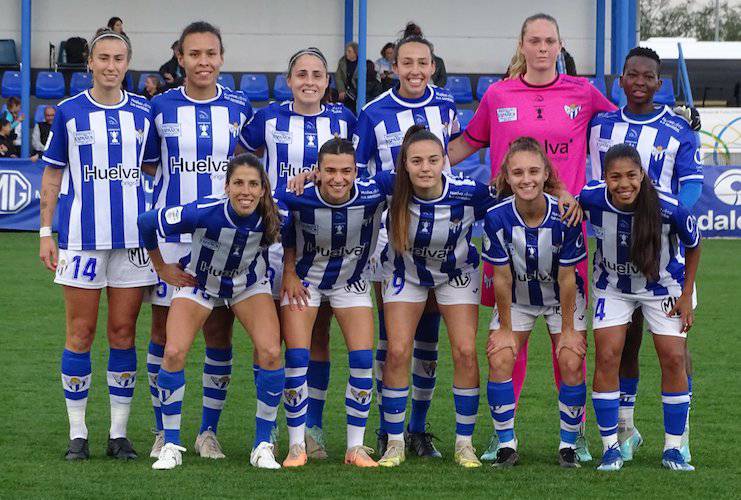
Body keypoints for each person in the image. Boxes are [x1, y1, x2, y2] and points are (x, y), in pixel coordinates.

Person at [447, 12, 616, 462]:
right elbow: (465, 143)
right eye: (534, 41)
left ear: (559, 46)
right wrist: (413, 168)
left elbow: (622, 133)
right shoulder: (498, 94)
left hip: (566, 232)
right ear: (521, 45)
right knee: (507, 340)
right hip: (506, 232)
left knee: (569, 344)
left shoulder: (582, 93)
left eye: (550, 41)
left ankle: (574, 436)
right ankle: (502, 434)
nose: (542, 48)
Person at [38, 27, 158, 461]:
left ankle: (118, 434)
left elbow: (152, 172)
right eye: (103, 58)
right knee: (80, 333)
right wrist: (45, 232)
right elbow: (51, 177)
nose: (110, 66)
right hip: (81, 242)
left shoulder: (144, 114)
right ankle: (78, 434)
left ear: (127, 64)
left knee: (123, 334)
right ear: (89, 62)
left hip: (130, 243)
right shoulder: (69, 112)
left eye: (118, 59)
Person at [238, 46, 356, 459]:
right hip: (272, 243)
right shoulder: (267, 119)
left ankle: (313, 429)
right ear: (289, 81)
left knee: (317, 334)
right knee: (269, 338)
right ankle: (266, 429)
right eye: (301, 74)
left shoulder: (344, 120)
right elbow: (244, 168)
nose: (309, 81)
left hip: (323, 245)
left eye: (317, 74)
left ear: (328, 82)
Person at [587, 46, 704, 464]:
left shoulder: (677, 129)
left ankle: (680, 438)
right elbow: (589, 182)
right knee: (622, 347)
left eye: (647, 76)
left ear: (659, 83)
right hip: (613, 262)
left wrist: (667, 215)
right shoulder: (600, 125)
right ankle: (624, 432)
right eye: (631, 75)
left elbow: (691, 186)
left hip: (663, 260)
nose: (639, 82)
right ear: (621, 79)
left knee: (674, 351)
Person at [143, 21, 253, 461]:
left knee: (218, 333)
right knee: (162, 332)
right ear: (181, 58)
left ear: (221, 58)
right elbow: (150, 164)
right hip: (171, 239)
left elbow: (252, 165)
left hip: (223, 237)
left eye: (211, 53)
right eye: (194, 54)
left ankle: (208, 432)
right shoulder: (159, 107)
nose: (203, 62)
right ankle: (160, 429)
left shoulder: (240, 108)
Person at [138, 153, 286, 470]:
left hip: (247, 285)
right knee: (174, 352)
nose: (245, 191)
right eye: (238, 183)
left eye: (253, 184)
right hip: (200, 282)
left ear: (263, 189)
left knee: (271, 352)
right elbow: (147, 222)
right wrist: (161, 267)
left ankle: (263, 445)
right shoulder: (204, 211)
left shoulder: (274, 213)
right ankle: (170, 443)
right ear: (227, 185)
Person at [354, 22, 459, 460]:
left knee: (429, 334)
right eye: (406, 63)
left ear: (432, 67)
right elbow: (361, 173)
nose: (415, 70)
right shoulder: (373, 111)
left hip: (441, 236)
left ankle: (417, 430)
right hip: (391, 237)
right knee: (392, 336)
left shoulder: (448, 106)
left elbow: (451, 164)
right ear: (392, 66)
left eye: (422, 63)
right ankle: (387, 429)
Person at [377, 125, 498, 468]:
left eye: (433, 159)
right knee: (398, 351)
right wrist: (307, 176)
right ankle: (395, 442)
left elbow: (511, 204)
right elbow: (345, 182)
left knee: (464, 351)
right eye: (416, 161)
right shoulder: (390, 186)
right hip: (407, 274)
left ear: (445, 161)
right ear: (404, 164)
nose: (425, 168)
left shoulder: (469, 191)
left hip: (457, 274)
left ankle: (464, 443)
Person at [276, 137, 386, 468]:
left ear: (357, 171)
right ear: (318, 172)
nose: (339, 178)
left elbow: (413, 177)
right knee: (296, 357)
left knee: (363, 360)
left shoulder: (373, 191)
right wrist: (290, 271)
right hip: (304, 282)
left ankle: (356, 448)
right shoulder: (295, 196)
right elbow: (282, 229)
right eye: (331, 171)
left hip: (351, 282)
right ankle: (296, 446)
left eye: (346, 171)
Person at [483, 137, 587, 469]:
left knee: (571, 359)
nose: (526, 179)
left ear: (545, 174)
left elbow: (567, 278)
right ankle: (504, 444)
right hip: (518, 299)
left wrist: (569, 330)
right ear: (507, 177)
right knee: (500, 356)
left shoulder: (565, 214)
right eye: (517, 173)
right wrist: (505, 330)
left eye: (532, 171)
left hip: (562, 300)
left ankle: (570, 444)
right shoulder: (497, 217)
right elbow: (501, 278)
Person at [335, 42, 358, 107]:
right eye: (346, 51)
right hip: (345, 90)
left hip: (356, 91)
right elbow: (338, 77)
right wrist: (341, 90)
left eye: (349, 51)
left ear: (355, 53)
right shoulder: (342, 61)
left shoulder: (361, 63)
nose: (346, 53)